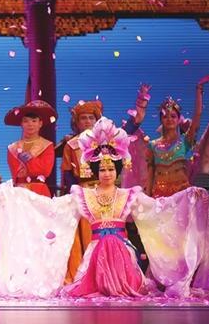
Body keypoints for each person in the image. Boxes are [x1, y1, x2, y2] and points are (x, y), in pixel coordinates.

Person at [64, 117, 151, 297]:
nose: (107, 174)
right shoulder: (85, 195)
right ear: (96, 171)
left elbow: (156, 209)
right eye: (102, 170)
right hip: (95, 257)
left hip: (122, 257)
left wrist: (187, 197)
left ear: (117, 170)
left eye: (111, 169)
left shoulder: (128, 195)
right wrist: (20, 197)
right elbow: (57, 209)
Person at [144, 76, 209, 197]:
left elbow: (197, 115)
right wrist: (148, 199)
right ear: (161, 120)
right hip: (160, 198)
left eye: (173, 116)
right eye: (165, 116)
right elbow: (150, 174)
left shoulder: (185, 140)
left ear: (178, 119)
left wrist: (199, 90)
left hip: (182, 196)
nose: (169, 119)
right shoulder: (153, 145)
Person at [4, 100, 57, 197]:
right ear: (21, 124)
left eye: (34, 121)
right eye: (26, 121)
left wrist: (30, 160)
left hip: (39, 191)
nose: (30, 124)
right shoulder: (12, 148)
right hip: (18, 192)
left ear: (40, 123)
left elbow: (45, 171)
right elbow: (15, 173)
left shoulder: (47, 145)